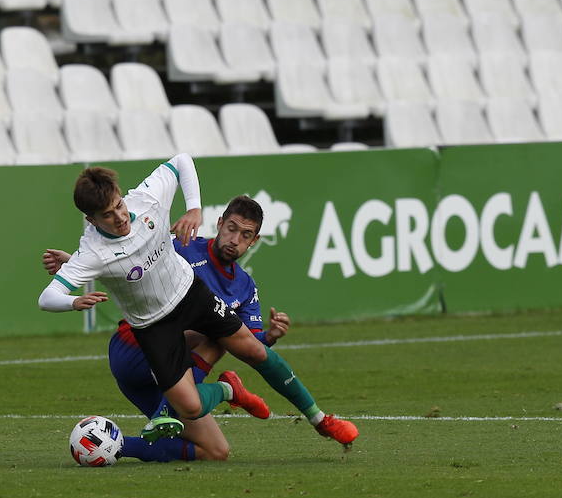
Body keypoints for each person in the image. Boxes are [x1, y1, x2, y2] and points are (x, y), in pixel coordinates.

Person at [37, 154, 358, 450]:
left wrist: (194, 208)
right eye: (107, 215)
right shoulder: (92, 253)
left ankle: (320, 419)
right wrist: (74, 301)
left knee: (253, 349)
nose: (120, 216)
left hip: (191, 295)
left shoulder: (147, 198)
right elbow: (47, 298)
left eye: (119, 205)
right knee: (190, 406)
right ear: (91, 220)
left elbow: (181, 161)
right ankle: (228, 390)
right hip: (152, 327)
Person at [45, 194, 311, 462]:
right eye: (232, 229)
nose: (235, 240)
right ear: (219, 224)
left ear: (254, 241)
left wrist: (271, 336)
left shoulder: (245, 287)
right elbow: (129, 262)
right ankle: (224, 391)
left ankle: (113, 447)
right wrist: (73, 262)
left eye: (245, 235)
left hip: (177, 375)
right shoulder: (183, 246)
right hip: (138, 351)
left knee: (216, 451)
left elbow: (251, 344)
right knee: (214, 329)